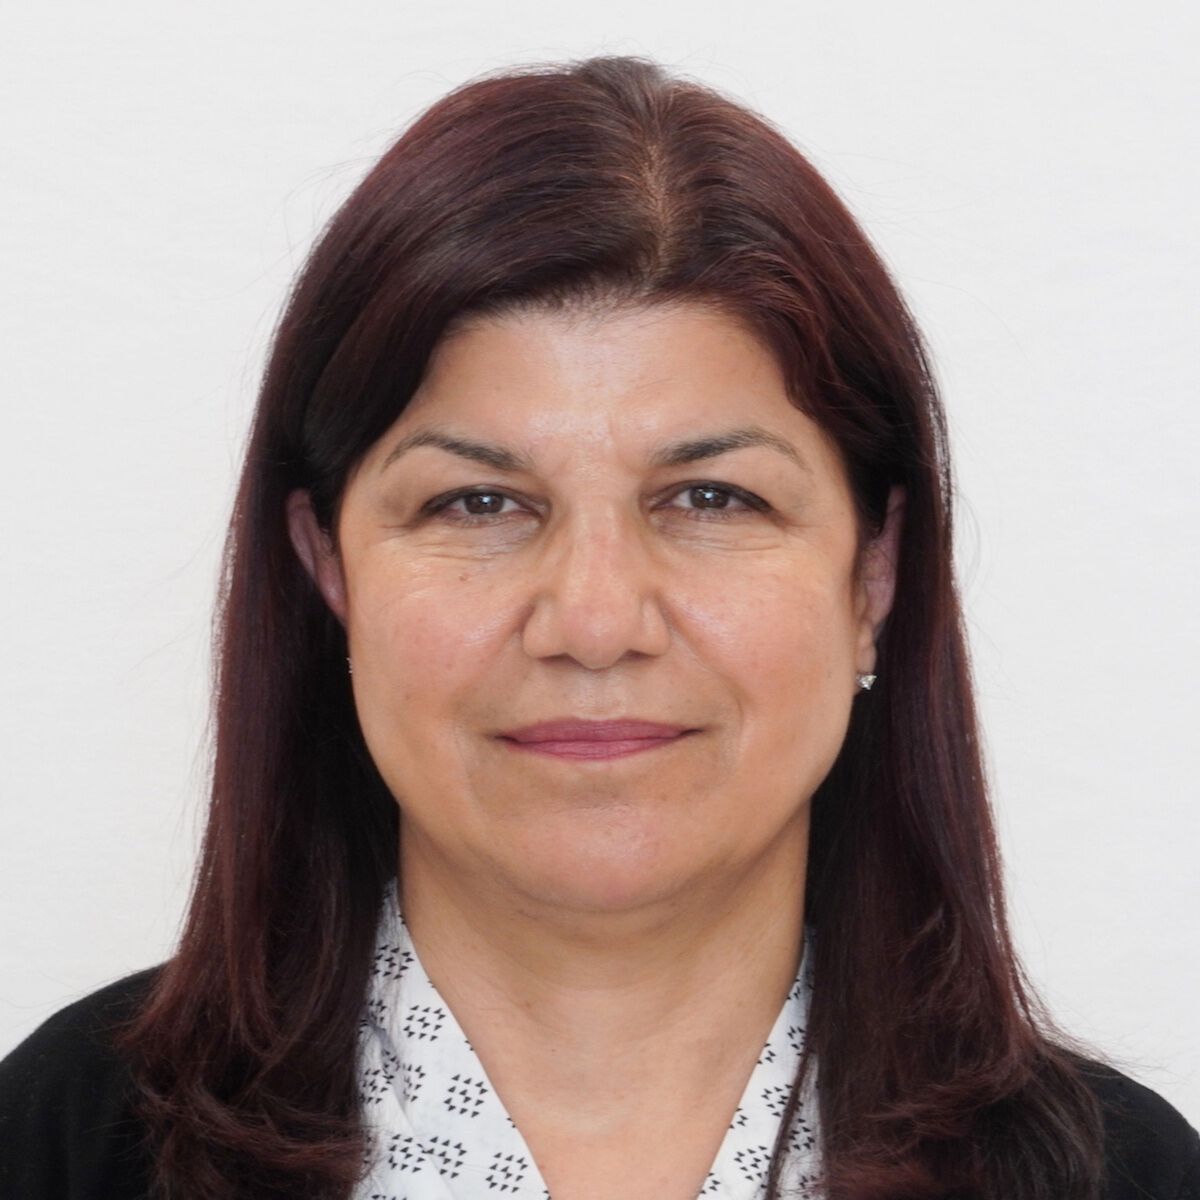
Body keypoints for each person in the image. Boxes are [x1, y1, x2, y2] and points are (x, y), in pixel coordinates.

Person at [0, 53, 1195, 1200]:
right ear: (329, 571)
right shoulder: (58, 1150)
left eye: (712, 498)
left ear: (872, 576)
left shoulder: (1128, 1180)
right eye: (478, 503)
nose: (594, 621)